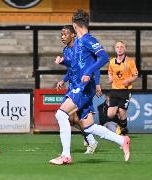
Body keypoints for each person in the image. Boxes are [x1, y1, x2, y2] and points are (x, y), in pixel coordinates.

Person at [49, 9, 130, 165]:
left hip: (84, 87)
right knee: (89, 127)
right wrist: (63, 62)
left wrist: (89, 72)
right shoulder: (78, 43)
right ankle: (122, 140)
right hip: (78, 86)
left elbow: (104, 57)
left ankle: (66, 155)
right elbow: (75, 64)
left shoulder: (88, 39)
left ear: (74, 25)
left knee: (61, 114)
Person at [55, 25, 99, 154]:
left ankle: (91, 140)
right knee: (71, 118)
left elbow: (94, 65)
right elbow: (72, 69)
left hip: (84, 86)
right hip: (73, 86)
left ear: (73, 34)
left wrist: (97, 84)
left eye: (65, 34)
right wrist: (63, 80)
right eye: (61, 34)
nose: (63, 37)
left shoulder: (81, 47)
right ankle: (90, 139)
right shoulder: (66, 50)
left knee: (68, 115)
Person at [107, 41, 138, 135]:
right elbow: (110, 72)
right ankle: (121, 125)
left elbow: (135, 75)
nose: (119, 49)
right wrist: (110, 78)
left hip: (125, 90)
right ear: (115, 49)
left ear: (125, 49)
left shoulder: (130, 61)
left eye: (121, 47)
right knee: (110, 114)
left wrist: (128, 80)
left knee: (122, 112)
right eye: (117, 47)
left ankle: (124, 133)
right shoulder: (112, 61)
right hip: (114, 90)